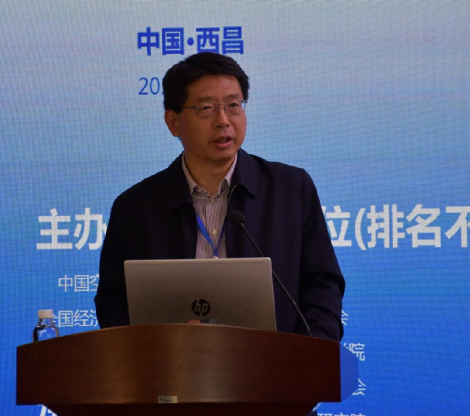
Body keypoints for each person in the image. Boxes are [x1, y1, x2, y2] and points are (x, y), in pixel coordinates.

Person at [95, 52, 345, 341]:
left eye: (233, 106)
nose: (223, 121)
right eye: (206, 108)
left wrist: (308, 353)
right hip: (171, 364)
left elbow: (322, 286)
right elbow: (113, 302)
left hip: (276, 364)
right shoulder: (135, 208)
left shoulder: (290, 190)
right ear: (173, 122)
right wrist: (158, 347)